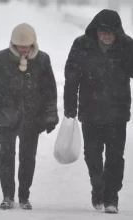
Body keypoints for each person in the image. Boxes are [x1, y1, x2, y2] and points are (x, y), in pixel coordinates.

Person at [0, 23, 58, 210]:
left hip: (32, 116)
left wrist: (50, 114)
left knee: (28, 157)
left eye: (26, 45)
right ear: (13, 43)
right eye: (20, 45)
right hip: (6, 114)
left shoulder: (43, 60)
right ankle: (7, 195)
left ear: (33, 43)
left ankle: (24, 196)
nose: (23, 49)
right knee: (6, 156)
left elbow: (49, 91)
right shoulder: (1, 58)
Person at [64, 9, 133, 214]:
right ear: (96, 30)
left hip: (117, 112)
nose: (106, 35)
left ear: (117, 32)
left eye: (111, 32)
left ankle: (112, 197)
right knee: (92, 155)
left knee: (114, 157)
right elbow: (71, 78)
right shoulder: (81, 45)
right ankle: (98, 187)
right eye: (102, 31)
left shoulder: (126, 46)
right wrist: (70, 107)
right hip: (90, 110)